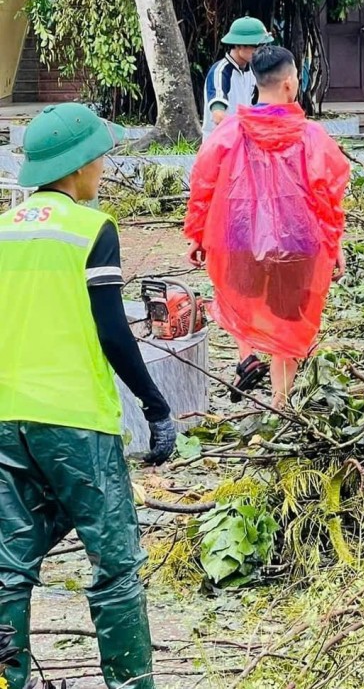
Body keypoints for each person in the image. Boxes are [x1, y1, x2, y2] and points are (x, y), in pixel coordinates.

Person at [0, 103, 177, 689]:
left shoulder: (3, 230)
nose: (103, 166)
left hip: (6, 420)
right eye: (100, 155)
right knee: (116, 567)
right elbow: (112, 330)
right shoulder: (89, 229)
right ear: (78, 167)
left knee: (7, 566)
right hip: (77, 424)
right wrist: (155, 404)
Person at [185, 46, 350, 408]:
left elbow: (203, 185)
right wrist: (334, 245)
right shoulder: (312, 137)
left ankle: (248, 360)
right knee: (288, 322)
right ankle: (280, 402)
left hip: (240, 239)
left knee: (246, 304)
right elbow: (328, 195)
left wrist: (198, 235)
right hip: (298, 245)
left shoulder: (228, 133)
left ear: (257, 84)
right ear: (290, 84)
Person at [201, 16, 274, 140]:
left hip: (241, 144)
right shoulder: (220, 72)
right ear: (240, 45)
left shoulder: (251, 71)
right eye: (256, 46)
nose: (261, 51)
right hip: (219, 146)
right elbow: (218, 116)